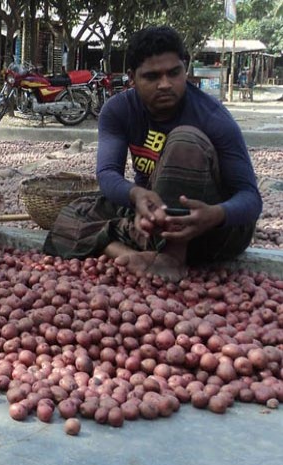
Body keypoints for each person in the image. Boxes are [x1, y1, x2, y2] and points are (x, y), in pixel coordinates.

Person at [43, 25, 261, 282]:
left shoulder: (213, 118)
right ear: (132, 77)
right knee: (71, 214)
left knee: (185, 139)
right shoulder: (118, 111)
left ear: (185, 68)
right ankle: (129, 254)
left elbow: (250, 198)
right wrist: (136, 195)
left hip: (206, 232)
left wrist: (216, 215)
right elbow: (107, 174)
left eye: (174, 73)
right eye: (152, 77)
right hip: (150, 222)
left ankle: (170, 258)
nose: (165, 84)